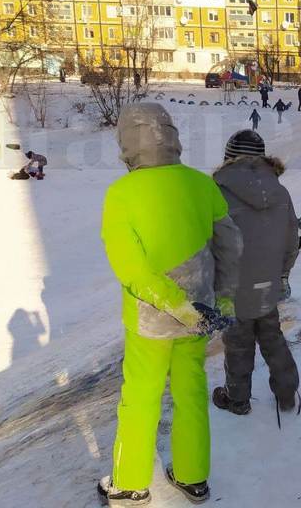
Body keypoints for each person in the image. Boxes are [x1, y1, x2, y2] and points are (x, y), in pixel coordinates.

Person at [98, 103, 242, 505]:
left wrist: (175, 305)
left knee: (141, 396)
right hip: (200, 314)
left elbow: (132, 270)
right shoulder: (201, 185)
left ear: (127, 143)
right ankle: (193, 476)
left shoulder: (121, 194)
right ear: (172, 137)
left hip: (151, 320)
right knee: (191, 390)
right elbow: (231, 245)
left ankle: (129, 482)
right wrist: (224, 300)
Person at [211, 130, 300, 415]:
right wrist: (282, 274)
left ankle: (237, 399)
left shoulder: (218, 192)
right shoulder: (280, 191)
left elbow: (209, 241)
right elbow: (291, 240)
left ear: (228, 159)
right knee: (272, 336)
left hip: (234, 287)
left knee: (238, 344)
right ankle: (287, 393)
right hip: (268, 284)